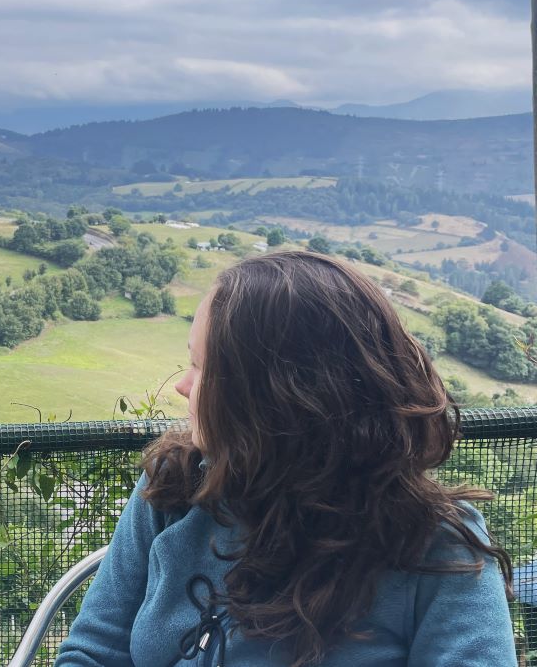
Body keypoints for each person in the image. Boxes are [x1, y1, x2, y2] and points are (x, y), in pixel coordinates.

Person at [56, 251, 516, 667]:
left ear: (279, 398)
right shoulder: (174, 485)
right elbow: (93, 653)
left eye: (203, 368)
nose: (182, 385)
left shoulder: (434, 543)